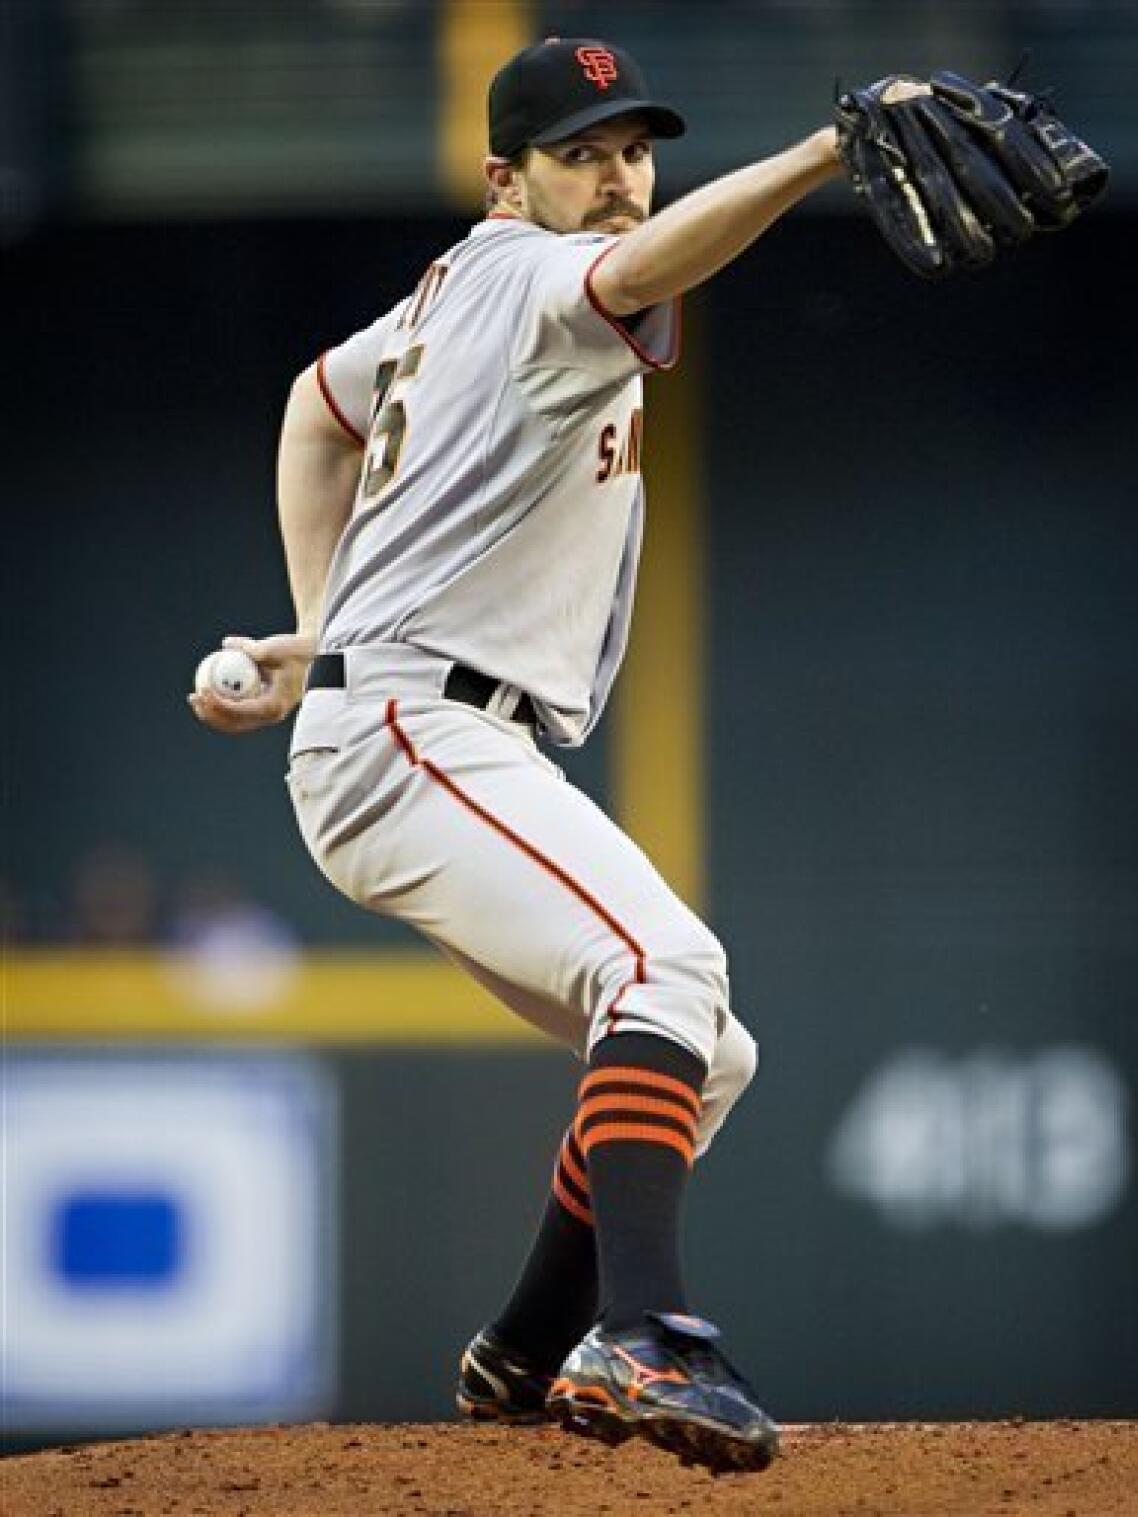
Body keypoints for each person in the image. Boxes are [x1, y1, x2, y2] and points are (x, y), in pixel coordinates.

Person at [190, 36, 844, 1475]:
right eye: (581, 155)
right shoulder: (539, 277)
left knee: (706, 1054)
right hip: (417, 729)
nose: (617, 180)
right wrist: (820, 157)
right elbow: (624, 275)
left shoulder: (453, 290)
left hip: (407, 724)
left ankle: (525, 1349)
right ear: (508, 180)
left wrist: (321, 628)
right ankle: (648, 1330)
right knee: (668, 970)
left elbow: (319, 406)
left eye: (633, 150)